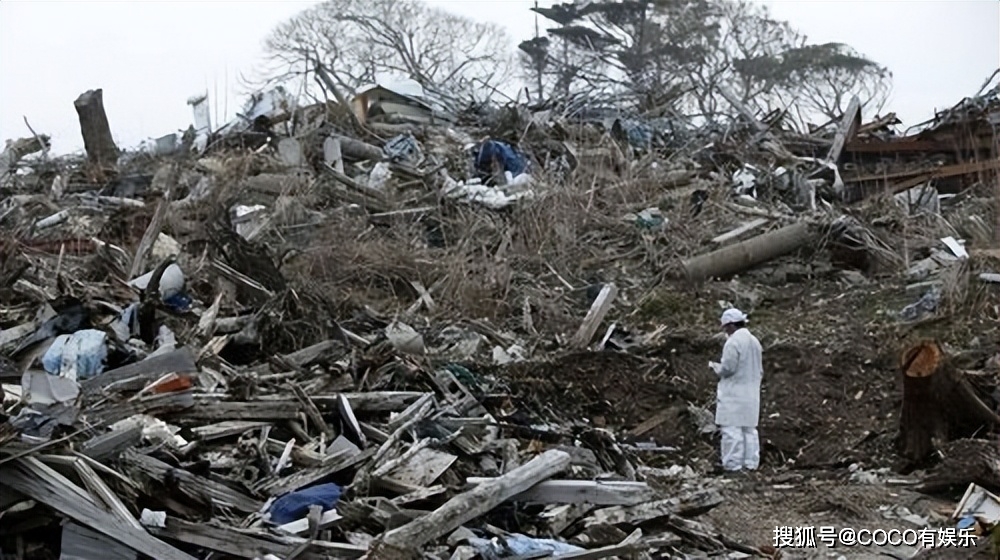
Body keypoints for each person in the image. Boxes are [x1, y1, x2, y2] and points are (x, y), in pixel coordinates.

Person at [708, 308, 763, 472]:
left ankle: (733, 465)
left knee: (731, 430)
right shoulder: (754, 341)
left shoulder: (733, 342)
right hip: (751, 393)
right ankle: (750, 464)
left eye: (725, 327)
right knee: (749, 430)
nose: (725, 331)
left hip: (734, 394)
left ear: (731, 325)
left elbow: (728, 368)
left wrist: (715, 367)